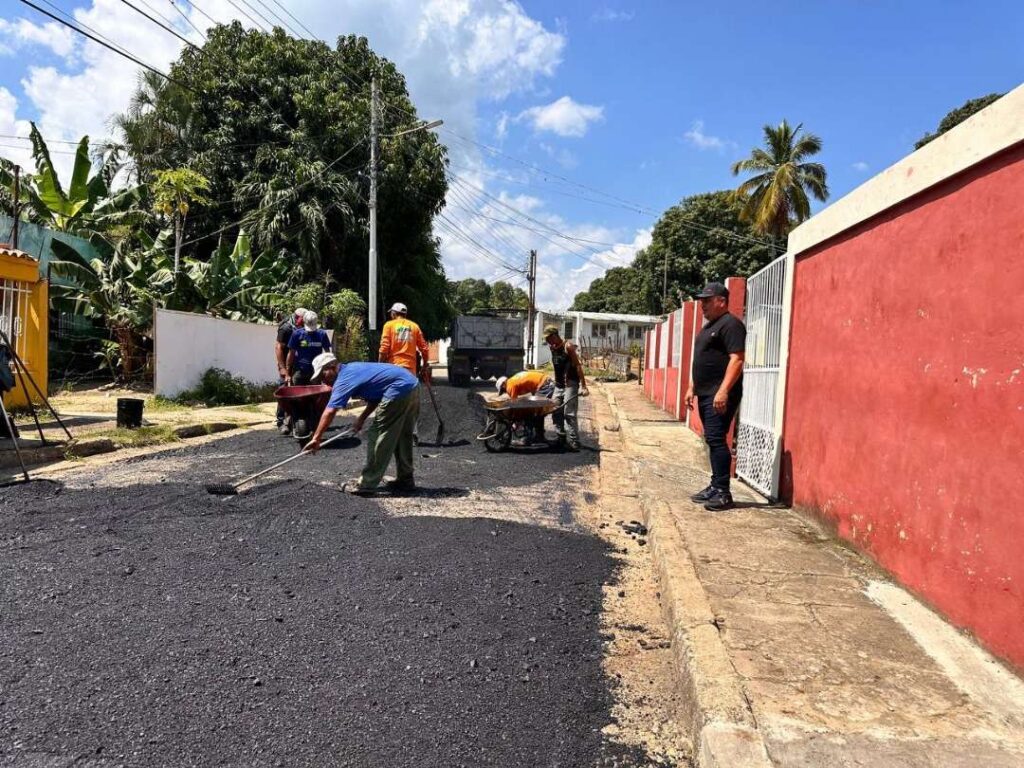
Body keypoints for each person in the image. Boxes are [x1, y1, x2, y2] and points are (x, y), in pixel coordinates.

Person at [306, 352, 420, 496]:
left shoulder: (344, 378)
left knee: (378, 435)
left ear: (332, 367)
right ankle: (406, 480)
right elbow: (375, 396)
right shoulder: (354, 369)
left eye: (323, 376)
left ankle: (366, 484)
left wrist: (316, 438)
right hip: (412, 386)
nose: (323, 381)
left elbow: (329, 411)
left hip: (398, 390)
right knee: (402, 436)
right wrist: (361, 419)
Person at [684, 282, 746, 511]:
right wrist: (692, 387)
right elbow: (701, 360)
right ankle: (715, 485)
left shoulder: (731, 325)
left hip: (719, 394)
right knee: (712, 438)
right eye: (701, 301)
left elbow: (737, 359)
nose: (703, 306)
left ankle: (723, 492)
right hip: (706, 392)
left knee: (717, 439)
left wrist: (723, 390)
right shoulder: (710, 326)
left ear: (721, 301)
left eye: (707, 301)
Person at [378, 302, 430, 443]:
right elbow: (424, 349)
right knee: (411, 403)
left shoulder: (389, 326)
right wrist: (425, 365)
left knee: (391, 401)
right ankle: (412, 433)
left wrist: (379, 365)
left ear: (394, 314)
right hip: (410, 371)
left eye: (391, 313)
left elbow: (384, 348)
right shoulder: (414, 326)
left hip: (393, 370)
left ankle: (390, 433)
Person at [542, 324, 589, 451]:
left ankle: (574, 442)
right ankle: (561, 438)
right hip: (558, 385)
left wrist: (584, 386)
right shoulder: (553, 348)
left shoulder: (568, 347)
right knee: (555, 409)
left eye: (548, 338)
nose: (547, 341)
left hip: (570, 384)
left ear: (555, 335)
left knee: (569, 413)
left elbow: (578, 366)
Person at [495, 370, 554, 444]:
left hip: (545, 385)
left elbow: (514, 406)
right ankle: (539, 437)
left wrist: (515, 421)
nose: (505, 392)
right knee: (537, 412)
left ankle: (528, 438)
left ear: (503, 384)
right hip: (544, 382)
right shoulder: (512, 381)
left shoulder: (510, 386)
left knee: (533, 413)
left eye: (503, 390)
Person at [275, 307, 306, 434]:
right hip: (286, 365)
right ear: (297, 317)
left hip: (298, 365)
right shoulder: (286, 329)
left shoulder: (301, 328)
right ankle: (281, 420)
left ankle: (293, 419)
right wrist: (283, 368)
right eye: (303, 320)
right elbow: (278, 348)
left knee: (297, 391)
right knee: (284, 389)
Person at [286, 310, 332, 387]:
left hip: (316, 372)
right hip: (300, 372)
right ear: (304, 322)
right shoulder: (297, 334)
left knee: (314, 396)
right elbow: (291, 354)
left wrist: (328, 371)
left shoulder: (322, 334)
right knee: (298, 396)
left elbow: (328, 354)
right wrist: (287, 374)